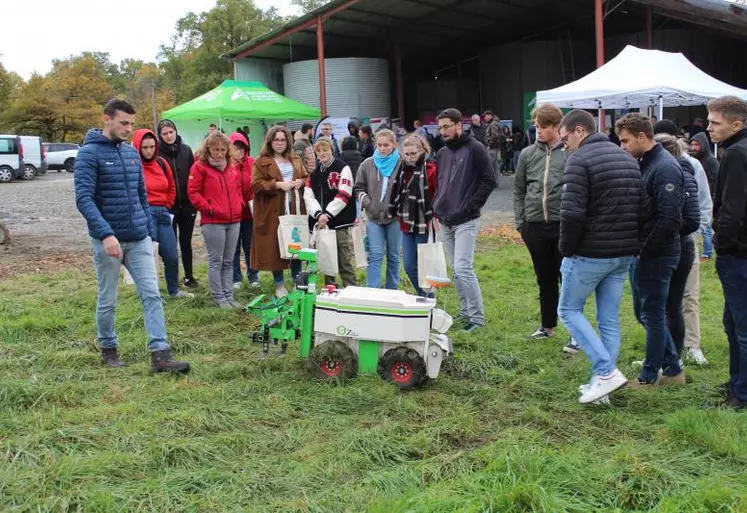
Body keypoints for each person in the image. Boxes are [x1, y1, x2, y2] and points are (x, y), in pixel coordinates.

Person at [74, 99, 189, 373]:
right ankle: (109, 349)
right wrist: (105, 234)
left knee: (152, 294)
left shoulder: (131, 154)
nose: (128, 128)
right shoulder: (88, 154)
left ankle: (160, 355)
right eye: (123, 123)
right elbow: (84, 199)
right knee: (108, 299)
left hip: (138, 239)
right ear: (107, 119)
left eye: (131, 124)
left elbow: (141, 196)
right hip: (108, 241)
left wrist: (148, 232)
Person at [556, 109, 643, 404]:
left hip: (589, 254)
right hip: (623, 254)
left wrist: (566, 249)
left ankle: (605, 372)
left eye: (565, 137)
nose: (563, 144)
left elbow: (571, 214)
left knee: (568, 310)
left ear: (579, 130)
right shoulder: (627, 158)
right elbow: (640, 207)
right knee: (608, 319)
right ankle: (601, 386)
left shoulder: (578, 160)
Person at [616, 113, 685, 387]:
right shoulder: (647, 163)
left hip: (658, 253)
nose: (622, 147)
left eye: (625, 141)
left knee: (653, 314)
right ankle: (672, 367)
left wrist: (645, 250)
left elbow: (670, 218)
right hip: (646, 250)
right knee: (644, 313)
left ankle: (650, 376)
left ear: (642, 137)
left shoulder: (664, 167)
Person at [653, 121, 713, 366]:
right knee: (658, 299)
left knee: (689, 294)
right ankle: (661, 348)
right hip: (658, 243)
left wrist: (697, 232)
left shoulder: (693, 164)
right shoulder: (647, 163)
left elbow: (704, 201)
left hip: (685, 240)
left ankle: (692, 345)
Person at [433, 108, 496, 333]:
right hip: (445, 218)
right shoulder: (442, 153)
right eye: (440, 127)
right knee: (456, 269)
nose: (443, 131)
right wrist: (437, 205)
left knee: (463, 267)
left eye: (447, 126)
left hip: (466, 219)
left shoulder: (476, 148)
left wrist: (472, 204)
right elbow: (441, 183)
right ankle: (465, 312)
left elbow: (490, 179)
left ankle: (477, 318)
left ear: (459, 125)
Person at [513, 104, 568, 343]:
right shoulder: (527, 154)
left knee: (567, 279)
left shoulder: (570, 153)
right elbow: (518, 190)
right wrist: (521, 223)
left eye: (544, 126)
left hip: (562, 226)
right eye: (536, 126)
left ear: (557, 126)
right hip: (534, 227)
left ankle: (575, 333)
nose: (539, 131)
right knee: (544, 279)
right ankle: (547, 326)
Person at [708, 95, 747, 410]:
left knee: (740, 326)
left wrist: (721, 244)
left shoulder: (735, 154)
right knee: (732, 323)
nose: (708, 128)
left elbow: (732, 208)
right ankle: (737, 382)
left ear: (737, 124)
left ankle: (742, 393)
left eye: (714, 122)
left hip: (738, 252)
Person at [132, 128, 193, 300]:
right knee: (147, 257)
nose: (149, 151)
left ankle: (173, 290)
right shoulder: (133, 165)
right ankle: (150, 294)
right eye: (145, 147)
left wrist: (166, 205)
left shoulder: (161, 163)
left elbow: (172, 185)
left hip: (163, 213)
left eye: (152, 146)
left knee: (171, 255)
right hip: (145, 214)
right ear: (138, 147)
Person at [187, 132, 243, 308]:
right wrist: (208, 208)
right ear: (208, 148)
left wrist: (239, 203)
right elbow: (193, 192)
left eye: (223, 149)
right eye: (215, 149)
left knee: (229, 260)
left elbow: (237, 188)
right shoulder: (199, 167)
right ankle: (219, 297)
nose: (219, 153)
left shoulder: (231, 166)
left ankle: (229, 295)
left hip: (234, 219)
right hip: (213, 221)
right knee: (216, 260)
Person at [252, 126, 307, 297]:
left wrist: (301, 182)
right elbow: (255, 185)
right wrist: (276, 185)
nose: (280, 143)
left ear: (288, 141)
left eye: (283, 139)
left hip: (294, 207)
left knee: (295, 243)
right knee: (276, 245)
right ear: (270, 141)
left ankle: (297, 281)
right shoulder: (261, 161)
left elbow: (305, 176)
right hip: (273, 209)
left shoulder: (295, 158)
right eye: (276, 139)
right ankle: (279, 284)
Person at [304, 136, 357, 287]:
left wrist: (328, 214)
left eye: (325, 149)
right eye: (318, 150)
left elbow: (345, 193)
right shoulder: (314, 174)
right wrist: (318, 214)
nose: (322, 153)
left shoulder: (343, 168)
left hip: (340, 222)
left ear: (331, 149)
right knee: (328, 263)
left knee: (344, 261)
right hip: (321, 223)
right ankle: (330, 293)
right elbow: (308, 197)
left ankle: (351, 291)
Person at [388, 134, 437, 297]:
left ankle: (428, 298)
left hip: (424, 222)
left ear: (422, 150)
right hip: (406, 222)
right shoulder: (401, 168)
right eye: (406, 154)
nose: (409, 158)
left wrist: (435, 216)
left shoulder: (431, 168)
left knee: (425, 265)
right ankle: (425, 295)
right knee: (409, 266)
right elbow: (395, 193)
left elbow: (437, 195)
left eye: (413, 154)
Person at [354, 129, 403, 290]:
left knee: (394, 257)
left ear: (394, 145)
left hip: (395, 218)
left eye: (386, 145)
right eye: (379, 145)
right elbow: (358, 188)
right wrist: (369, 203)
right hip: (374, 217)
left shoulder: (402, 163)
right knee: (375, 255)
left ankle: (392, 291)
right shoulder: (367, 164)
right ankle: (372, 292)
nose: (382, 148)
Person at [157, 119, 198, 288]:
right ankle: (172, 280)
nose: (168, 136)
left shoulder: (186, 150)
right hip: (169, 206)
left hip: (187, 204)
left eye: (171, 132)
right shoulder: (157, 153)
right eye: (165, 133)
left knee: (186, 242)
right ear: (160, 135)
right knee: (169, 244)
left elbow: (194, 174)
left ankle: (189, 277)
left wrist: (194, 198)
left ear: (176, 131)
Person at [230, 132, 259, 289]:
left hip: (249, 212)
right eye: (236, 148)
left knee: (250, 246)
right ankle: (236, 277)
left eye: (242, 148)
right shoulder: (227, 165)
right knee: (234, 247)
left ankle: (254, 275)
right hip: (234, 213)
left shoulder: (253, 163)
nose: (239, 151)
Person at [691, 131, 718, 261]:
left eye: (697, 144)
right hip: (699, 196)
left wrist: (711, 197)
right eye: (692, 144)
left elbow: (713, 181)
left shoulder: (711, 161)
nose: (694, 148)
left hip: (708, 197)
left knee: (707, 227)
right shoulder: (697, 161)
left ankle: (707, 252)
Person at [483, 110, 502, 183]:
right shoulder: (493, 123)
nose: (485, 118)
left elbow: (495, 136)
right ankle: (496, 182)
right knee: (495, 166)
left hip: (492, 148)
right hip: (494, 147)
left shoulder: (493, 124)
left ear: (490, 115)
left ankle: (491, 182)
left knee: (489, 165)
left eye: (486, 116)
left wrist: (489, 145)